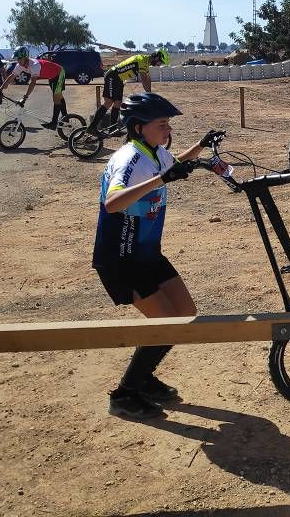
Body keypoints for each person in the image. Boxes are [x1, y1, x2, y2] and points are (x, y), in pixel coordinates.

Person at [91, 92, 221, 420]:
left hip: (147, 252)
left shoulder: (154, 152)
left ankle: (143, 379)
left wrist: (203, 144)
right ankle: (124, 394)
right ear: (138, 127)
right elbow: (113, 202)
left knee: (185, 313)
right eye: (161, 124)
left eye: (168, 124)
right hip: (121, 257)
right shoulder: (129, 159)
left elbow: (174, 165)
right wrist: (162, 179)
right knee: (164, 321)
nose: (167, 129)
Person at [87, 47, 169, 132]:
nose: (159, 65)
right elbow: (144, 79)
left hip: (119, 79)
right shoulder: (141, 60)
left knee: (118, 103)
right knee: (109, 102)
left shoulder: (145, 63)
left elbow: (148, 79)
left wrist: (150, 93)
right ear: (156, 57)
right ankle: (92, 127)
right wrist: (149, 94)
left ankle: (112, 129)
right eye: (160, 62)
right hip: (113, 76)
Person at [0, 47, 69, 130]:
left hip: (59, 73)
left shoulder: (34, 64)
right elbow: (11, 77)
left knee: (56, 97)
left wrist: (25, 97)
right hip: (51, 76)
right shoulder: (20, 65)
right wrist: (0, 89)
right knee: (58, 96)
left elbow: (33, 82)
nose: (18, 61)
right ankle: (66, 118)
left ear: (25, 57)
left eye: (20, 58)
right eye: (17, 59)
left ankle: (54, 123)